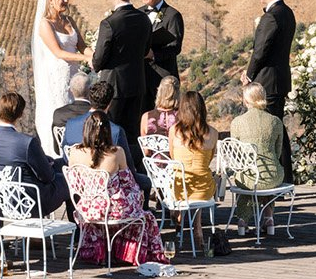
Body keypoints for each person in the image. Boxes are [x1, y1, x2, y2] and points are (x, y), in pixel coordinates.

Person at [64, 105, 167, 268]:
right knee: (146, 215)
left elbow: (75, 182)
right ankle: (126, 251)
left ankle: (101, 250)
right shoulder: (116, 152)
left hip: (85, 208)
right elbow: (129, 182)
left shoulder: (75, 152)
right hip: (110, 210)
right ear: (107, 131)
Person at [0, 91, 68, 216]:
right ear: (21, 114)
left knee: (57, 164)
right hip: (28, 203)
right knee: (67, 179)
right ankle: (80, 230)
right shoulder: (27, 142)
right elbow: (48, 177)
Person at [90, 0, 151, 167]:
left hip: (113, 87)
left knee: (111, 133)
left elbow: (99, 59)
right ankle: (132, 173)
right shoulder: (144, 20)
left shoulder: (109, 23)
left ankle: (111, 171)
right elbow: (146, 49)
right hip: (137, 83)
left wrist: (94, 62)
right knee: (131, 135)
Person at [242, 0, 296, 176]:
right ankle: (285, 176)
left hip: (267, 82)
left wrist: (248, 74)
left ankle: (279, 177)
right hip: (280, 78)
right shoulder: (288, 12)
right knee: (277, 127)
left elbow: (260, 51)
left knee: (272, 129)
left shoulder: (270, 17)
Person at [230, 81, 289, 236]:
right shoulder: (275, 121)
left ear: (246, 100)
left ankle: (243, 221)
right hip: (272, 175)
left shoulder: (237, 122)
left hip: (249, 177)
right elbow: (277, 152)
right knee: (265, 177)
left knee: (247, 178)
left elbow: (236, 154)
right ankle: (269, 218)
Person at [30, 0, 82, 155]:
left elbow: (82, 45)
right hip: (57, 76)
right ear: (51, 0)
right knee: (60, 110)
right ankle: (57, 153)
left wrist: (95, 55)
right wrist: (86, 58)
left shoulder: (70, 21)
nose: (66, 1)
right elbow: (58, 52)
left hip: (75, 75)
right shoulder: (45, 24)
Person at [169, 87, 220, 256]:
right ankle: (197, 228)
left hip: (180, 187)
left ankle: (179, 215)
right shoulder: (213, 133)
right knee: (202, 180)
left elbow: (172, 155)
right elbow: (210, 158)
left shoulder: (174, 131)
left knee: (183, 182)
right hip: (204, 189)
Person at [139, 0, 184, 114]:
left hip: (163, 76)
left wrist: (154, 54)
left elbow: (175, 47)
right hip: (141, 75)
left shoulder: (172, 15)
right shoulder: (138, 13)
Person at [61, 80, 128, 151]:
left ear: (90, 99)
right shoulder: (116, 131)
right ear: (110, 103)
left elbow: (65, 153)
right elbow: (127, 160)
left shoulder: (71, 124)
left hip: (75, 161)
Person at [50, 72, 93, 145]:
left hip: (67, 154)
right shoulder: (95, 114)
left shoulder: (58, 114)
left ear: (71, 90)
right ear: (90, 90)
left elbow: (57, 147)